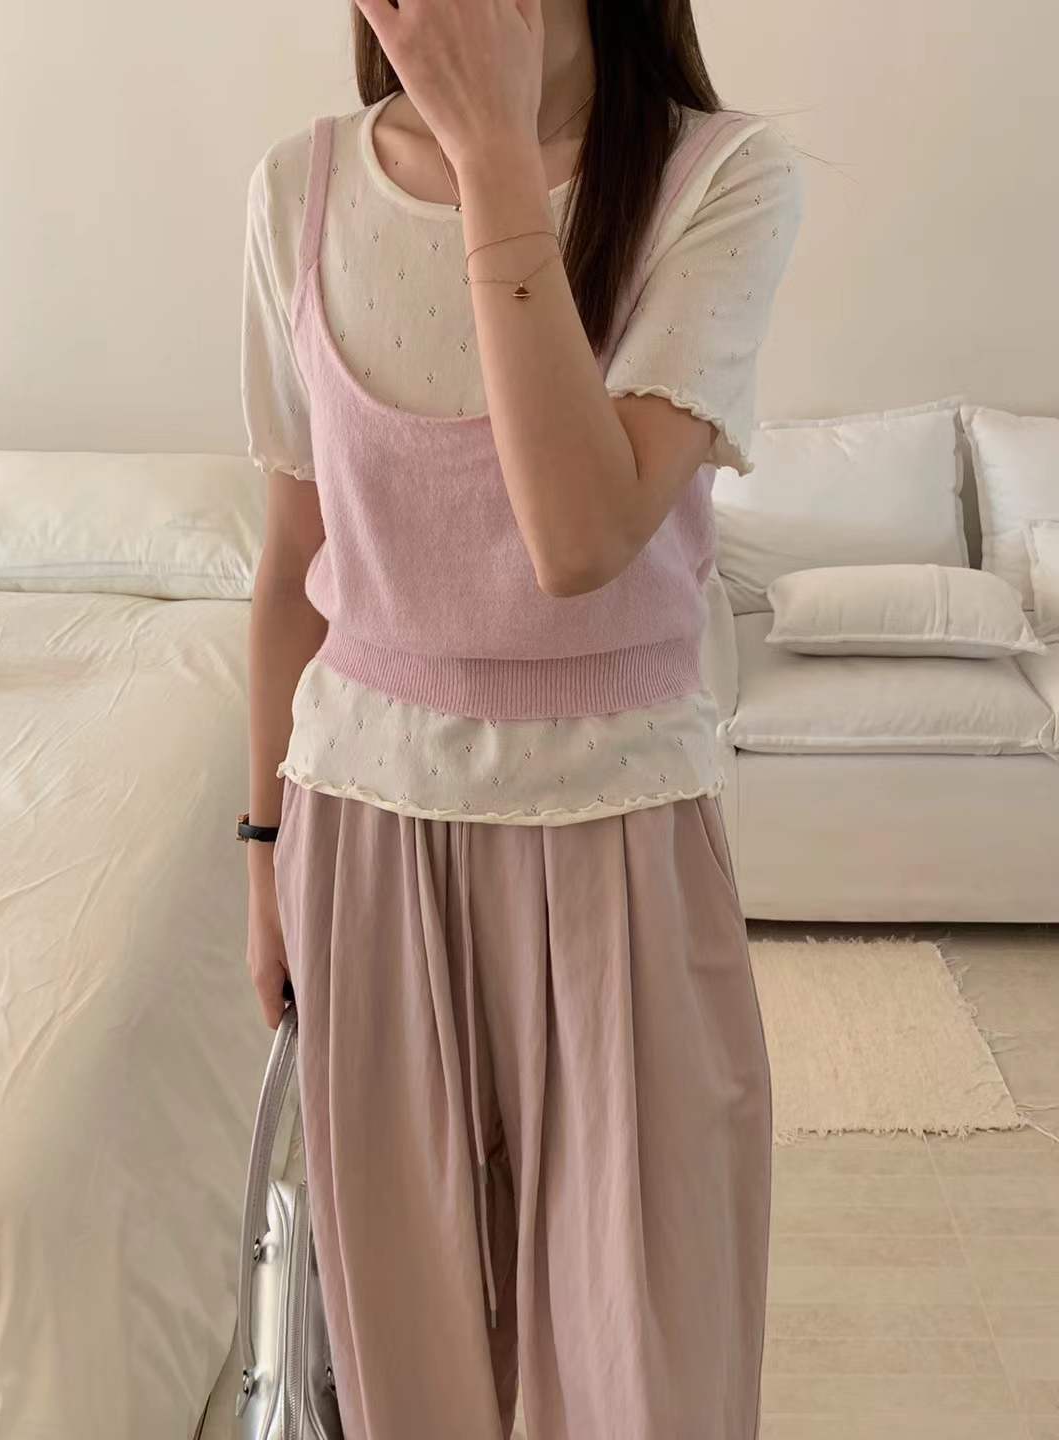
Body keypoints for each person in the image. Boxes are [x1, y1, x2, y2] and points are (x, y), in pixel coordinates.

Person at [238, 0, 803, 1434]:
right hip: (364, 837)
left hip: (620, 840)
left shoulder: (717, 179)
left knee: (644, 1373)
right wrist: (263, 857)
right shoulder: (301, 189)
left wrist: (493, 154)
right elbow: (293, 570)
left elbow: (578, 537)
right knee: (413, 1377)